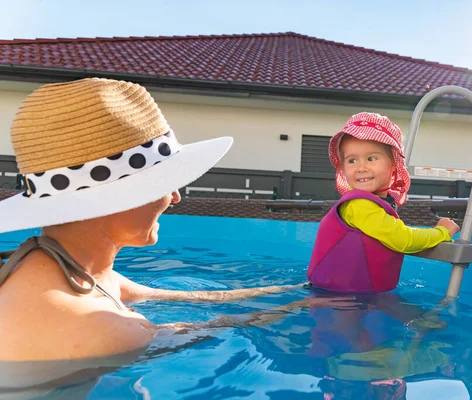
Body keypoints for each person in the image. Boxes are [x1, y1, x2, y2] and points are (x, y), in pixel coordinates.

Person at [0, 78, 300, 363]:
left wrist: (298, 294)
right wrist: (303, 312)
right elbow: (196, 332)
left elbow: (189, 297)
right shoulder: (99, 325)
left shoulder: (62, 266)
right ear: (115, 197)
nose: (175, 197)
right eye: (163, 182)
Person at [307, 112, 460, 293]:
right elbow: (404, 240)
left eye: (371, 158)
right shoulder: (359, 205)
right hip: (341, 299)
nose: (361, 168)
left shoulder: (368, 205)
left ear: (393, 164)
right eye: (352, 160)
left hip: (337, 293)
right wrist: (441, 232)